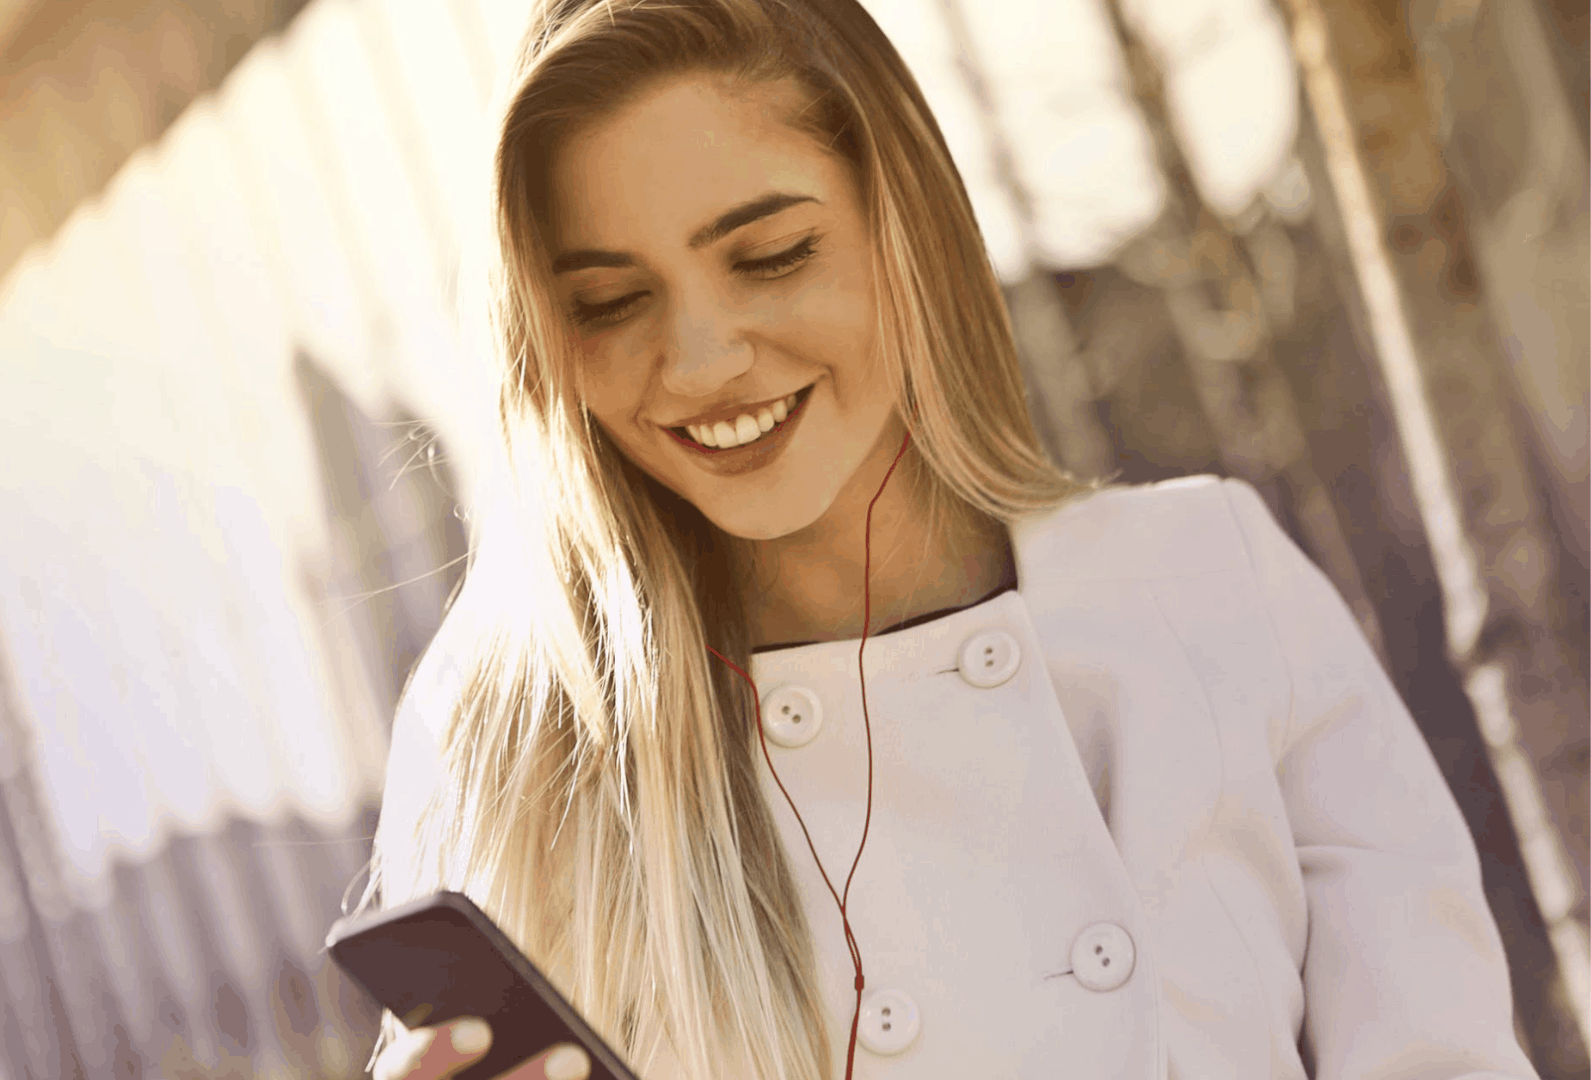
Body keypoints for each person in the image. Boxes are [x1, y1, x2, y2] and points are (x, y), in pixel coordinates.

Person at [358, 1, 1539, 1078]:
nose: (703, 359)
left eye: (772, 255)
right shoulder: (516, 746)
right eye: (611, 304)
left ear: (904, 227)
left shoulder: (1210, 585)